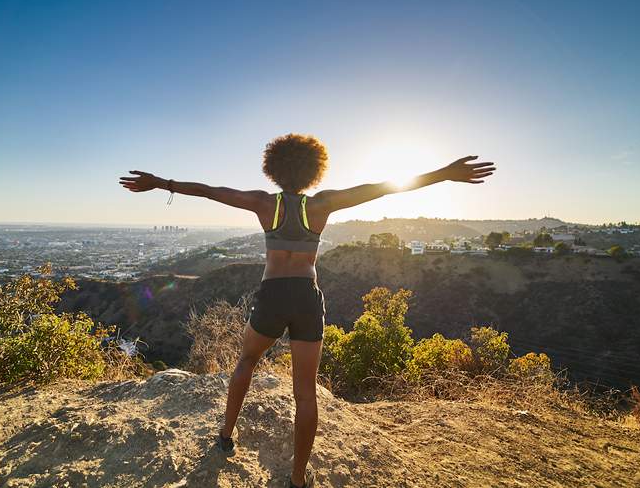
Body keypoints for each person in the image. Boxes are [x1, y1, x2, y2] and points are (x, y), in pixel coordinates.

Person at [119, 134, 495, 488]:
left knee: (247, 362)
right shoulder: (322, 204)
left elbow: (209, 191)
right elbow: (384, 187)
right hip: (306, 297)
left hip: (272, 295)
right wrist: (445, 174)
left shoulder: (264, 203)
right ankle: (298, 479)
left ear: (274, 168)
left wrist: (161, 183)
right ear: (315, 168)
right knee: (305, 393)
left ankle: (224, 437)